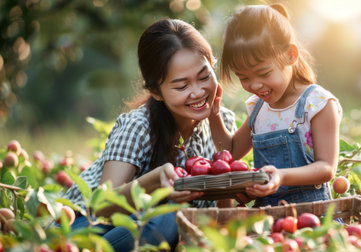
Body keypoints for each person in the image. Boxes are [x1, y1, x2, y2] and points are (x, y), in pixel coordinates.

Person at [63, 18, 236, 251]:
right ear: (156, 91)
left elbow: (224, 212)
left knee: (175, 218)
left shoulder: (221, 122)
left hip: (149, 231)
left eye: (204, 77)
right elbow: (102, 205)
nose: (198, 92)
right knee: (171, 217)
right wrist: (154, 181)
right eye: (181, 86)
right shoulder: (139, 125)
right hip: (88, 227)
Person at [209, 3, 342, 207]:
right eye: (243, 77)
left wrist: (280, 176)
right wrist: (213, 114)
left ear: (291, 55)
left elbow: (326, 168)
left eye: (263, 73)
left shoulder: (317, 104)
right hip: (267, 222)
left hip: (310, 218)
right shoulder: (258, 108)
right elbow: (231, 151)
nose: (254, 85)